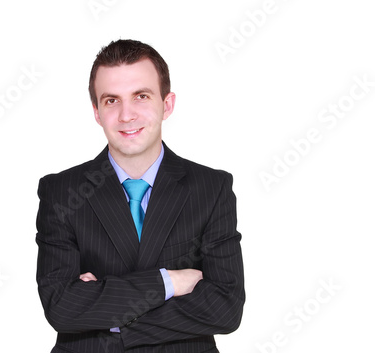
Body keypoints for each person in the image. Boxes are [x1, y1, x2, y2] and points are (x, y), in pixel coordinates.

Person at [35, 39, 244, 353]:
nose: (126, 115)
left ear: (167, 104)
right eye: (111, 101)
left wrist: (106, 314)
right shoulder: (61, 191)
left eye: (141, 96)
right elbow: (62, 308)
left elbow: (225, 308)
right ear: (96, 112)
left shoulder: (211, 188)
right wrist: (170, 283)